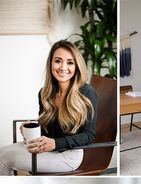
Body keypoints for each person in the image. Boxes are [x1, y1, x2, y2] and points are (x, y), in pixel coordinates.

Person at [0, 40, 97, 175]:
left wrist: (55, 143)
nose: (63, 67)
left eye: (70, 62)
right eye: (58, 61)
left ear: (76, 66)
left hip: (69, 155)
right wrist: (32, 127)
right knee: (1, 152)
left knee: (5, 159)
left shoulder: (86, 92)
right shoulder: (45, 93)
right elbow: (48, 130)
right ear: (51, 63)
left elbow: (89, 135)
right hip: (49, 149)